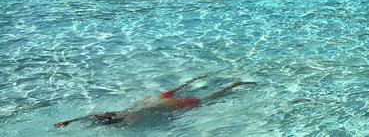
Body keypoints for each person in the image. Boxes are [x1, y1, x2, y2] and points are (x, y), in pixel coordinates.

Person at [54, 76, 255, 128]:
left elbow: (129, 122)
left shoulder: (130, 116)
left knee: (206, 99)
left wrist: (72, 121)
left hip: (169, 106)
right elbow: (93, 116)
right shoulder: (122, 112)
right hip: (158, 101)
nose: (105, 112)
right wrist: (71, 121)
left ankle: (233, 85)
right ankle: (198, 79)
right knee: (181, 89)